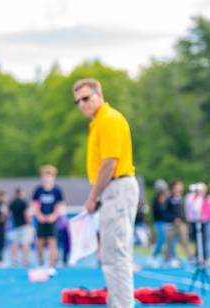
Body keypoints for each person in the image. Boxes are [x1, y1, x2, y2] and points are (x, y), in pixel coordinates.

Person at [74, 78, 139, 308]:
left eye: (86, 98)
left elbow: (109, 163)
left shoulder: (109, 119)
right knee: (113, 255)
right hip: (112, 189)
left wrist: (93, 196)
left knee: (115, 256)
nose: (82, 104)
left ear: (99, 95)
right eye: (78, 101)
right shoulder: (98, 122)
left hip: (117, 186)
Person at [32, 165, 65, 275]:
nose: (47, 178)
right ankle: (41, 264)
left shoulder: (57, 191)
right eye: (45, 176)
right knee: (40, 243)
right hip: (41, 220)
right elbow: (34, 204)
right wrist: (39, 215)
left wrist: (54, 215)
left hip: (52, 220)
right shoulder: (38, 190)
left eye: (49, 176)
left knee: (52, 242)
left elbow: (60, 204)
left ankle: (51, 265)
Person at [164, 180, 191, 267]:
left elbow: (183, 211)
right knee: (169, 242)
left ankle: (190, 258)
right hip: (171, 224)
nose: (180, 187)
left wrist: (183, 220)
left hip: (181, 224)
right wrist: (173, 219)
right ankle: (168, 259)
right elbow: (165, 212)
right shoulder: (169, 198)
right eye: (178, 186)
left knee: (185, 240)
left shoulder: (182, 198)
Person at [148, 180, 170, 267]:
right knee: (161, 240)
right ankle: (153, 257)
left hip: (163, 223)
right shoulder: (157, 201)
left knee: (166, 241)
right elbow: (159, 213)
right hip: (159, 223)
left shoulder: (164, 200)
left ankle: (165, 258)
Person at [9, 188, 33, 268]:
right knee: (25, 243)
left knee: (15, 244)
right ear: (21, 193)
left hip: (15, 225)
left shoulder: (12, 203)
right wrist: (29, 222)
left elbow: (9, 213)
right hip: (24, 226)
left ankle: (14, 260)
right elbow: (26, 213)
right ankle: (25, 260)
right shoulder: (24, 202)